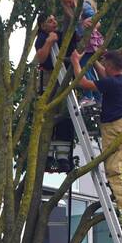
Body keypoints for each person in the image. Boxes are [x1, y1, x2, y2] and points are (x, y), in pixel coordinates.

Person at [70, 49, 122, 236]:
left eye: (105, 64)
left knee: (117, 173)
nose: (103, 67)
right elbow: (106, 77)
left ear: (111, 65)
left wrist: (75, 61)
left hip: (116, 131)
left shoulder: (112, 83)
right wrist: (98, 60)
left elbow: (83, 82)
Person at [33, 12, 77, 173]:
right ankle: (48, 156)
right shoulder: (42, 37)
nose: (53, 23)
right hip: (48, 80)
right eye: (49, 21)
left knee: (66, 117)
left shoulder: (59, 35)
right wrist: (49, 42)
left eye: (54, 20)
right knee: (48, 118)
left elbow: (72, 34)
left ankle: (63, 158)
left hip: (64, 78)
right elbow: (41, 57)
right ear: (42, 25)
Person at [60, 0, 104, 107]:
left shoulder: (84, 6)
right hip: (85, 42)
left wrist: (86, 23)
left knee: (83, 67)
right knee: (88, 68)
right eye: (65, 3)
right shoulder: (74, 10)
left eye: (68, 0)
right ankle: (98, 97)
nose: (68, 4)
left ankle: (89, 96)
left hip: (89, 42)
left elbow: (96, 21)